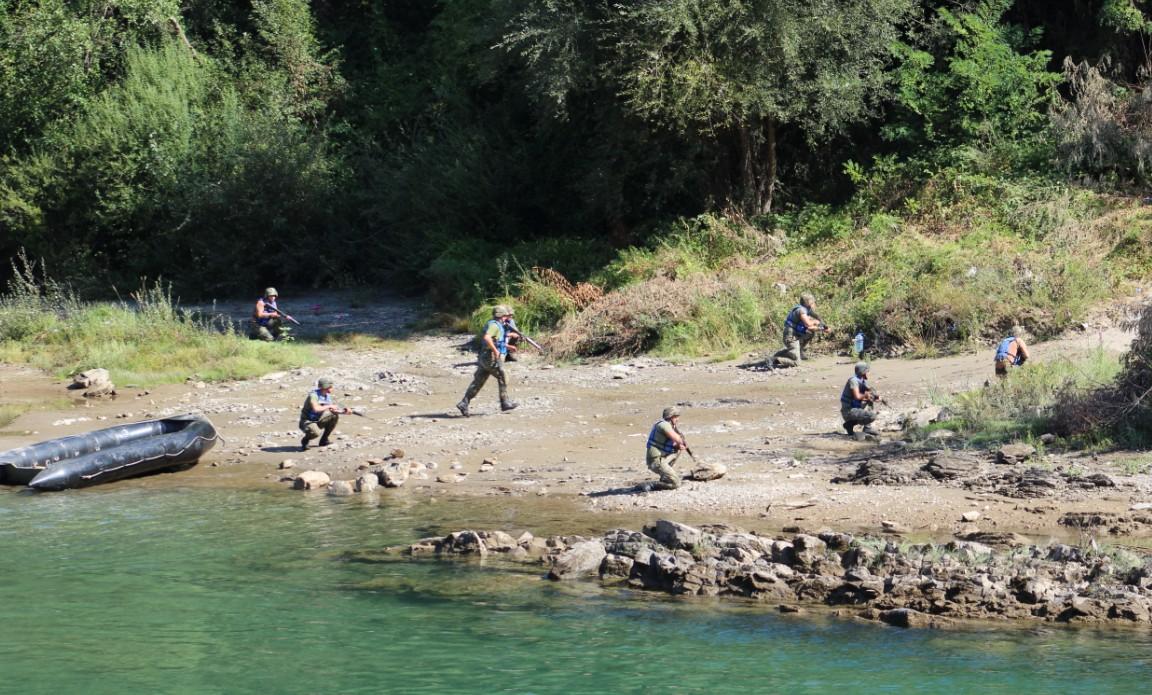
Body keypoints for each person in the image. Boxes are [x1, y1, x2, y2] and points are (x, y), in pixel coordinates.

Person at [456, 305, 520, 417]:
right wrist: (495, 351)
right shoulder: (495, 326)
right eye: (505, 316)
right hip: (490, 357)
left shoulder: (496, 325)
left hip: (484, 356)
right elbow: (487, 338)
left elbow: (496, 341)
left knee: (478, 382)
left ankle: (464, 403)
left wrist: (508, 347)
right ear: (501, 316)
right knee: (503, 376)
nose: (507, 318)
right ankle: (505, 402)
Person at [773, 293, 825, 368]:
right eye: (813, 302)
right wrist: (816, 323)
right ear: (808, 303)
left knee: (810, 333)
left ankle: (797, 351)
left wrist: (824, 326)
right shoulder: (801, 310)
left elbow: (817, 317)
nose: (814, 304)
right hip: (790, 336)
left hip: (795, 334)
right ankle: (775, 359)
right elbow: (808, 325)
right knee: (796, 362)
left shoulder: (806, 309)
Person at [299, 377, 348, 451]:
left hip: (318, 419)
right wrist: (329, 406)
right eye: (331, 387)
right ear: (326, 387)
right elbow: (316, 409)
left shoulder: (327, 396)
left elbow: (332, 410)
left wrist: (344, 412)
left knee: (334, 416)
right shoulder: (313, 396)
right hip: (307, 422)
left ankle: (324, 440)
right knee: (315, 433)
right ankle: (305, 440)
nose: (332, 388)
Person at [646, 406, 688, 490]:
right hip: (655, 461)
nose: (677, 419)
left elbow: (672, 443)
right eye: (675, 417)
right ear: (670, 417)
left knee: (677, 450)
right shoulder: (664, 425)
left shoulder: (669, 425)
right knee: (676, 483)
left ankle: (665, 476)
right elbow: (676, 438)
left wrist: (678, 446)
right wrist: (682, 441)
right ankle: (652, 485)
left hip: (661, 458)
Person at [841, 362, 880, 436]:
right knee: (872, 416)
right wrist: (866, 395)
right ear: (863, 372)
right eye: (867, 371)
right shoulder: (853, 381)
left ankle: (867, 428)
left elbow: (870, 393)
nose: (869, 373)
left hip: (855, 409)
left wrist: (875, 398)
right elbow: (857, 396)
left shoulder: (862, 382)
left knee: (871, 394)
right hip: (848, 411)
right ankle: (849, 424)